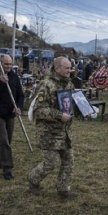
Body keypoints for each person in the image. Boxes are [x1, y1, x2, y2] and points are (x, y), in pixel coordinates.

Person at [27, 57, 77, 199]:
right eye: (66, 68)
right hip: (49, 133)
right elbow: (39, 110)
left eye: (70, 67)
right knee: (50, 163)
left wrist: (84, 110)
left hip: (65, 132)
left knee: (69, 161)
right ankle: (33, 180)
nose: (69, 70)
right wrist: (59, 115)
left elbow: (72, 105)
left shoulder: (69, 84)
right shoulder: (46, 85)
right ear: (57, 68)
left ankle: (63, 189)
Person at [0, 55, 25, 180]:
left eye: (10, 64)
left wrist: (19, 107)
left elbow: (21, 95)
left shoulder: (14, 77)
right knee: (3, 140)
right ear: (0, 63)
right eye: (6, 64)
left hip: (10, 113)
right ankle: (7, 168)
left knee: (8, 140)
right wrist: (0, 82)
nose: (8, 67)